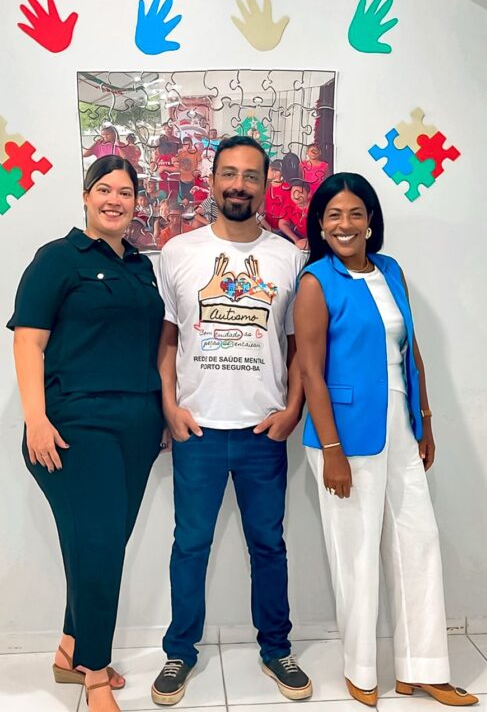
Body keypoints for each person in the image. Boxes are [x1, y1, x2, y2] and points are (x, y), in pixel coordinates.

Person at [293, 172, 478, 707]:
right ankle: (360, 670)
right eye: (334, 215)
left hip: (400, 428)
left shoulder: (391, 270)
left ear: (370, 220)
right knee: (355, 554)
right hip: (344, 438)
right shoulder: (316, 282)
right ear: (320, 225)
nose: (345, 224)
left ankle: (424, 668)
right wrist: (332, 451)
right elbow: (310, 372)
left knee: (418, 542)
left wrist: (425, 419)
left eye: (355, 213)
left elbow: (410, 349)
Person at [152, 135, 312, 705]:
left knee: (268, 545)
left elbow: (298, 347)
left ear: (265, 185)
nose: (239, 184)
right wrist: (169, 405)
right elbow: (167, 340)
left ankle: (277, 648)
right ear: (212, 180)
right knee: (189, 545)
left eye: (250, 175)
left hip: (261, 432)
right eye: (229, 174)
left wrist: (292, 410)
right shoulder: (177, 252)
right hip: (196, 430)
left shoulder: (290, 259)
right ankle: (180, 651)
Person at [7, 155, 165, 712]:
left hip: (138, 427)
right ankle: (94, 672)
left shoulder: (142, 268)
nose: (114, 200)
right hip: (75, 425)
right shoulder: (57, 259)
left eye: (125, 192)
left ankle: (71, 646)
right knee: (97, 547)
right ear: (85, 195)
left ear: (136, 202)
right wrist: (36, 419)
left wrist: (160, 413)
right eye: (104, 189)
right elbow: (28, 342)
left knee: (100, 545)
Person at [278, 179, 310, 250]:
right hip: (299, 236)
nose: (296, 196)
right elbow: (282, 224)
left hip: (316, 238)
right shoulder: (290, 205)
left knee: (301, 245)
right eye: (294, 193)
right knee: (277, 235)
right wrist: (296, 239)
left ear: (308, 194)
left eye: (300, 193)